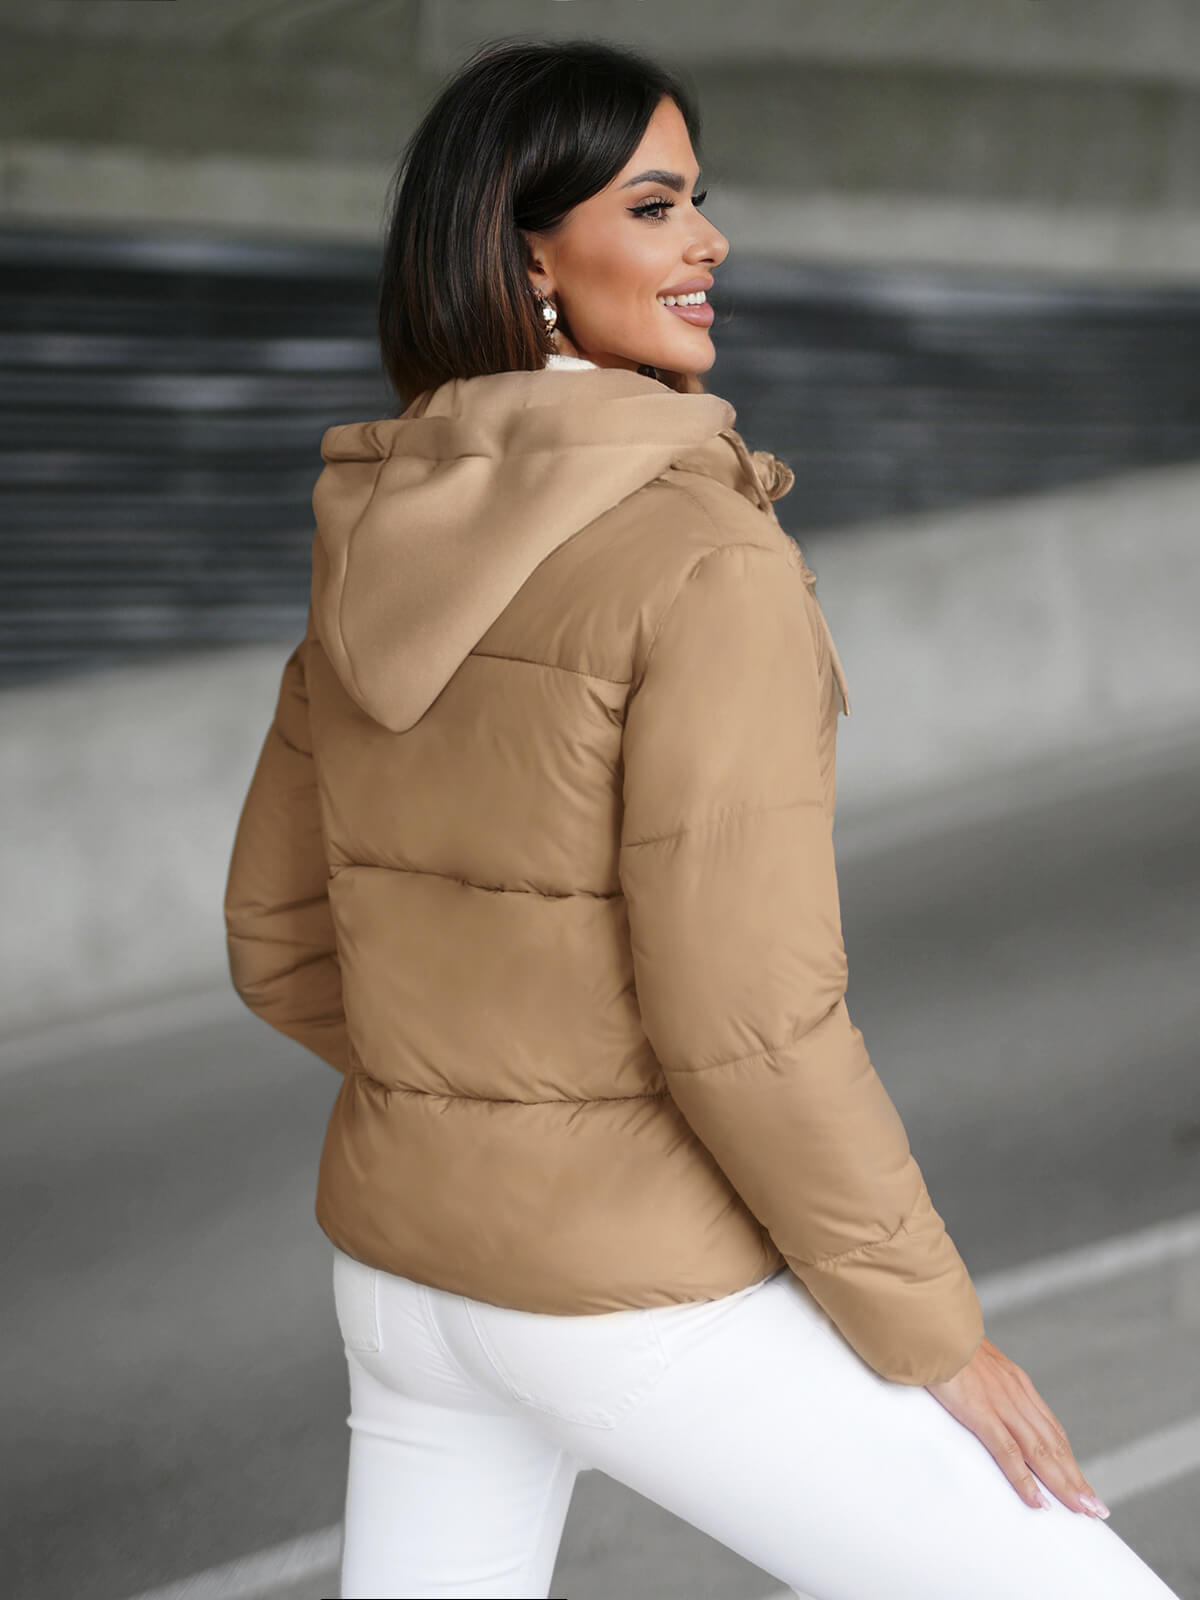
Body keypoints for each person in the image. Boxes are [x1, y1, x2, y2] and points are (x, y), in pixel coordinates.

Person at [222, 36, 1182, 1600]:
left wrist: (488, 1105)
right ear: (532, 257)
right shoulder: (705, 559)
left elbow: (274, 939)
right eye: (656, 205)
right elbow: (753, 1029)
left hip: (406, 1288)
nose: (710, 239)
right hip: (624, 1296)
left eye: (697, 201)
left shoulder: (374, 533)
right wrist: (938, 1337)